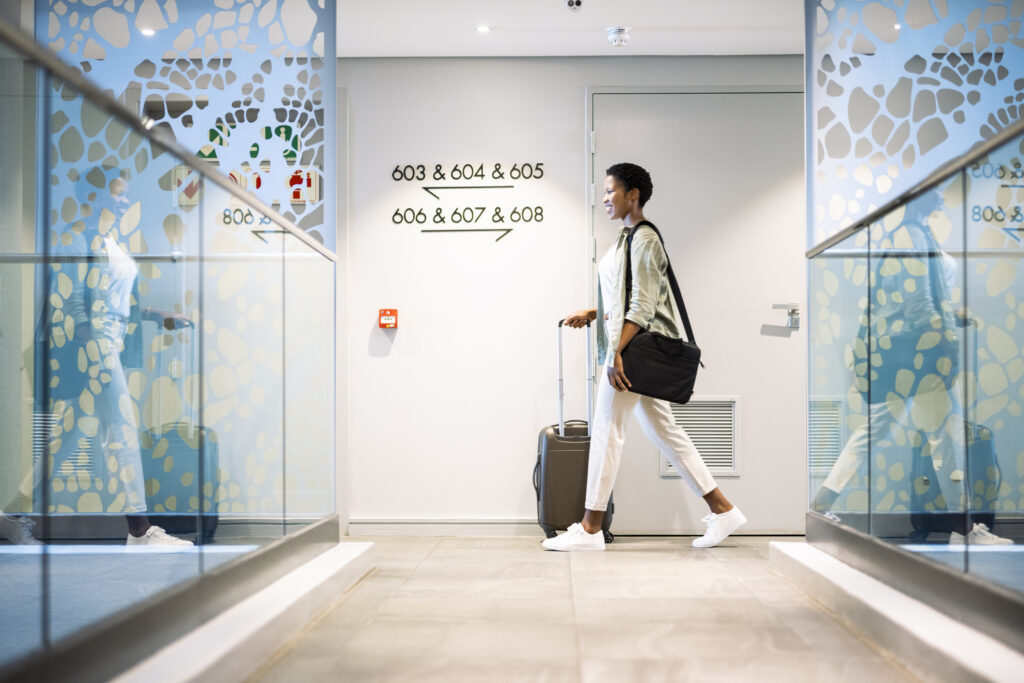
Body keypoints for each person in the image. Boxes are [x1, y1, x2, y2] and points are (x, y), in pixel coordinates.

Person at [542, 163, 746, 551]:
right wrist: (593, 312)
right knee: (664, 432)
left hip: (631, 352)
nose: (604, 198)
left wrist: (615, 351)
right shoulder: (626, 238)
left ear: (632, 193)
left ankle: (589, 529)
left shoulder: (645, 238)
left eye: (610, 191)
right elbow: (623, 297)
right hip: (631, 348)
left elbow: (643, 306)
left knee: (607, 430)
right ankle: (723, 510)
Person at [1, 168, 192, 546]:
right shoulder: (76, 239)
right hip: (98, 349)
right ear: (96, 196)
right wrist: (96, 353)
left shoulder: (110, 241)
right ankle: (140, 531)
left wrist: (159, 316)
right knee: (123, 430)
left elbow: (119, 304)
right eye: (118, 193)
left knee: (69, 437)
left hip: (111, 345)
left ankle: (12, 516)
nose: (124, 200)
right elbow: (73, 302)